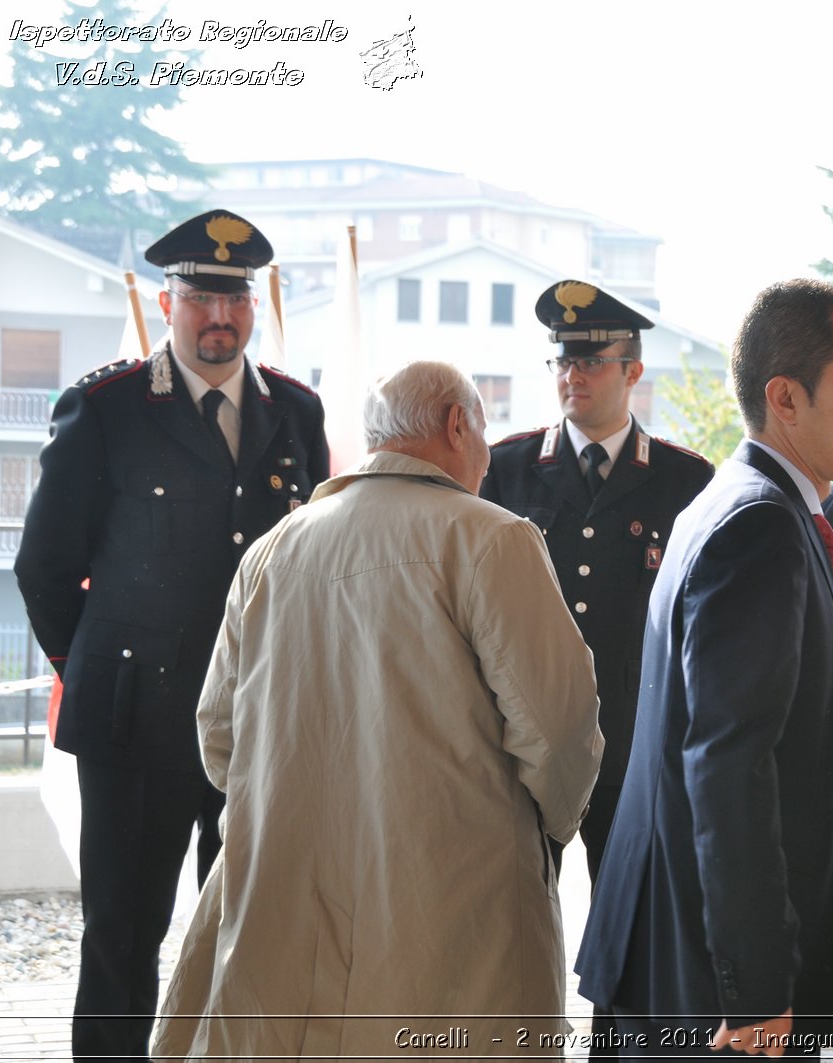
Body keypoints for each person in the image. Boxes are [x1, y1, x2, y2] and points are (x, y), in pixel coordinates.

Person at [151, 361, 604, 1059]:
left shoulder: (273, 550)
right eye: (481, 435)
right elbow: (561, 727)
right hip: (453, 900)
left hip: (288, 897)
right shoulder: (490, 537)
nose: (486, 459)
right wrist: (552, 825)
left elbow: (218, 739)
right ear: (458, 425)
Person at [14, 209, 329, 1061]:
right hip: (135, 726)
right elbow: (43, 569)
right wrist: (91, 667)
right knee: (123, 937)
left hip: (261, 729)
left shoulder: (296, 414)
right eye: (201, 297)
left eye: (235, 297)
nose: (218, 316)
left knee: (249, 939)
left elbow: (319, 560)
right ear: (168, 301)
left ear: (254, 303)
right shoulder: (108, 408)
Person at [575, 278, 833, 1058]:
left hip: (681, 955)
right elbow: (729, 765)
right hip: (713, 986)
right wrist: (753, 984)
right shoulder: (760, 525)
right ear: (786, 398)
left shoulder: (739, 500)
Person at [480, 279, 713, 889]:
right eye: (562, 361)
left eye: (590, 362)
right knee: (518, 915)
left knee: (632, 920)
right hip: (527, 733)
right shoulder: (506, 469)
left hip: (632, 736)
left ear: (633, 370)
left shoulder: (683, 479)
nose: (572, 376)